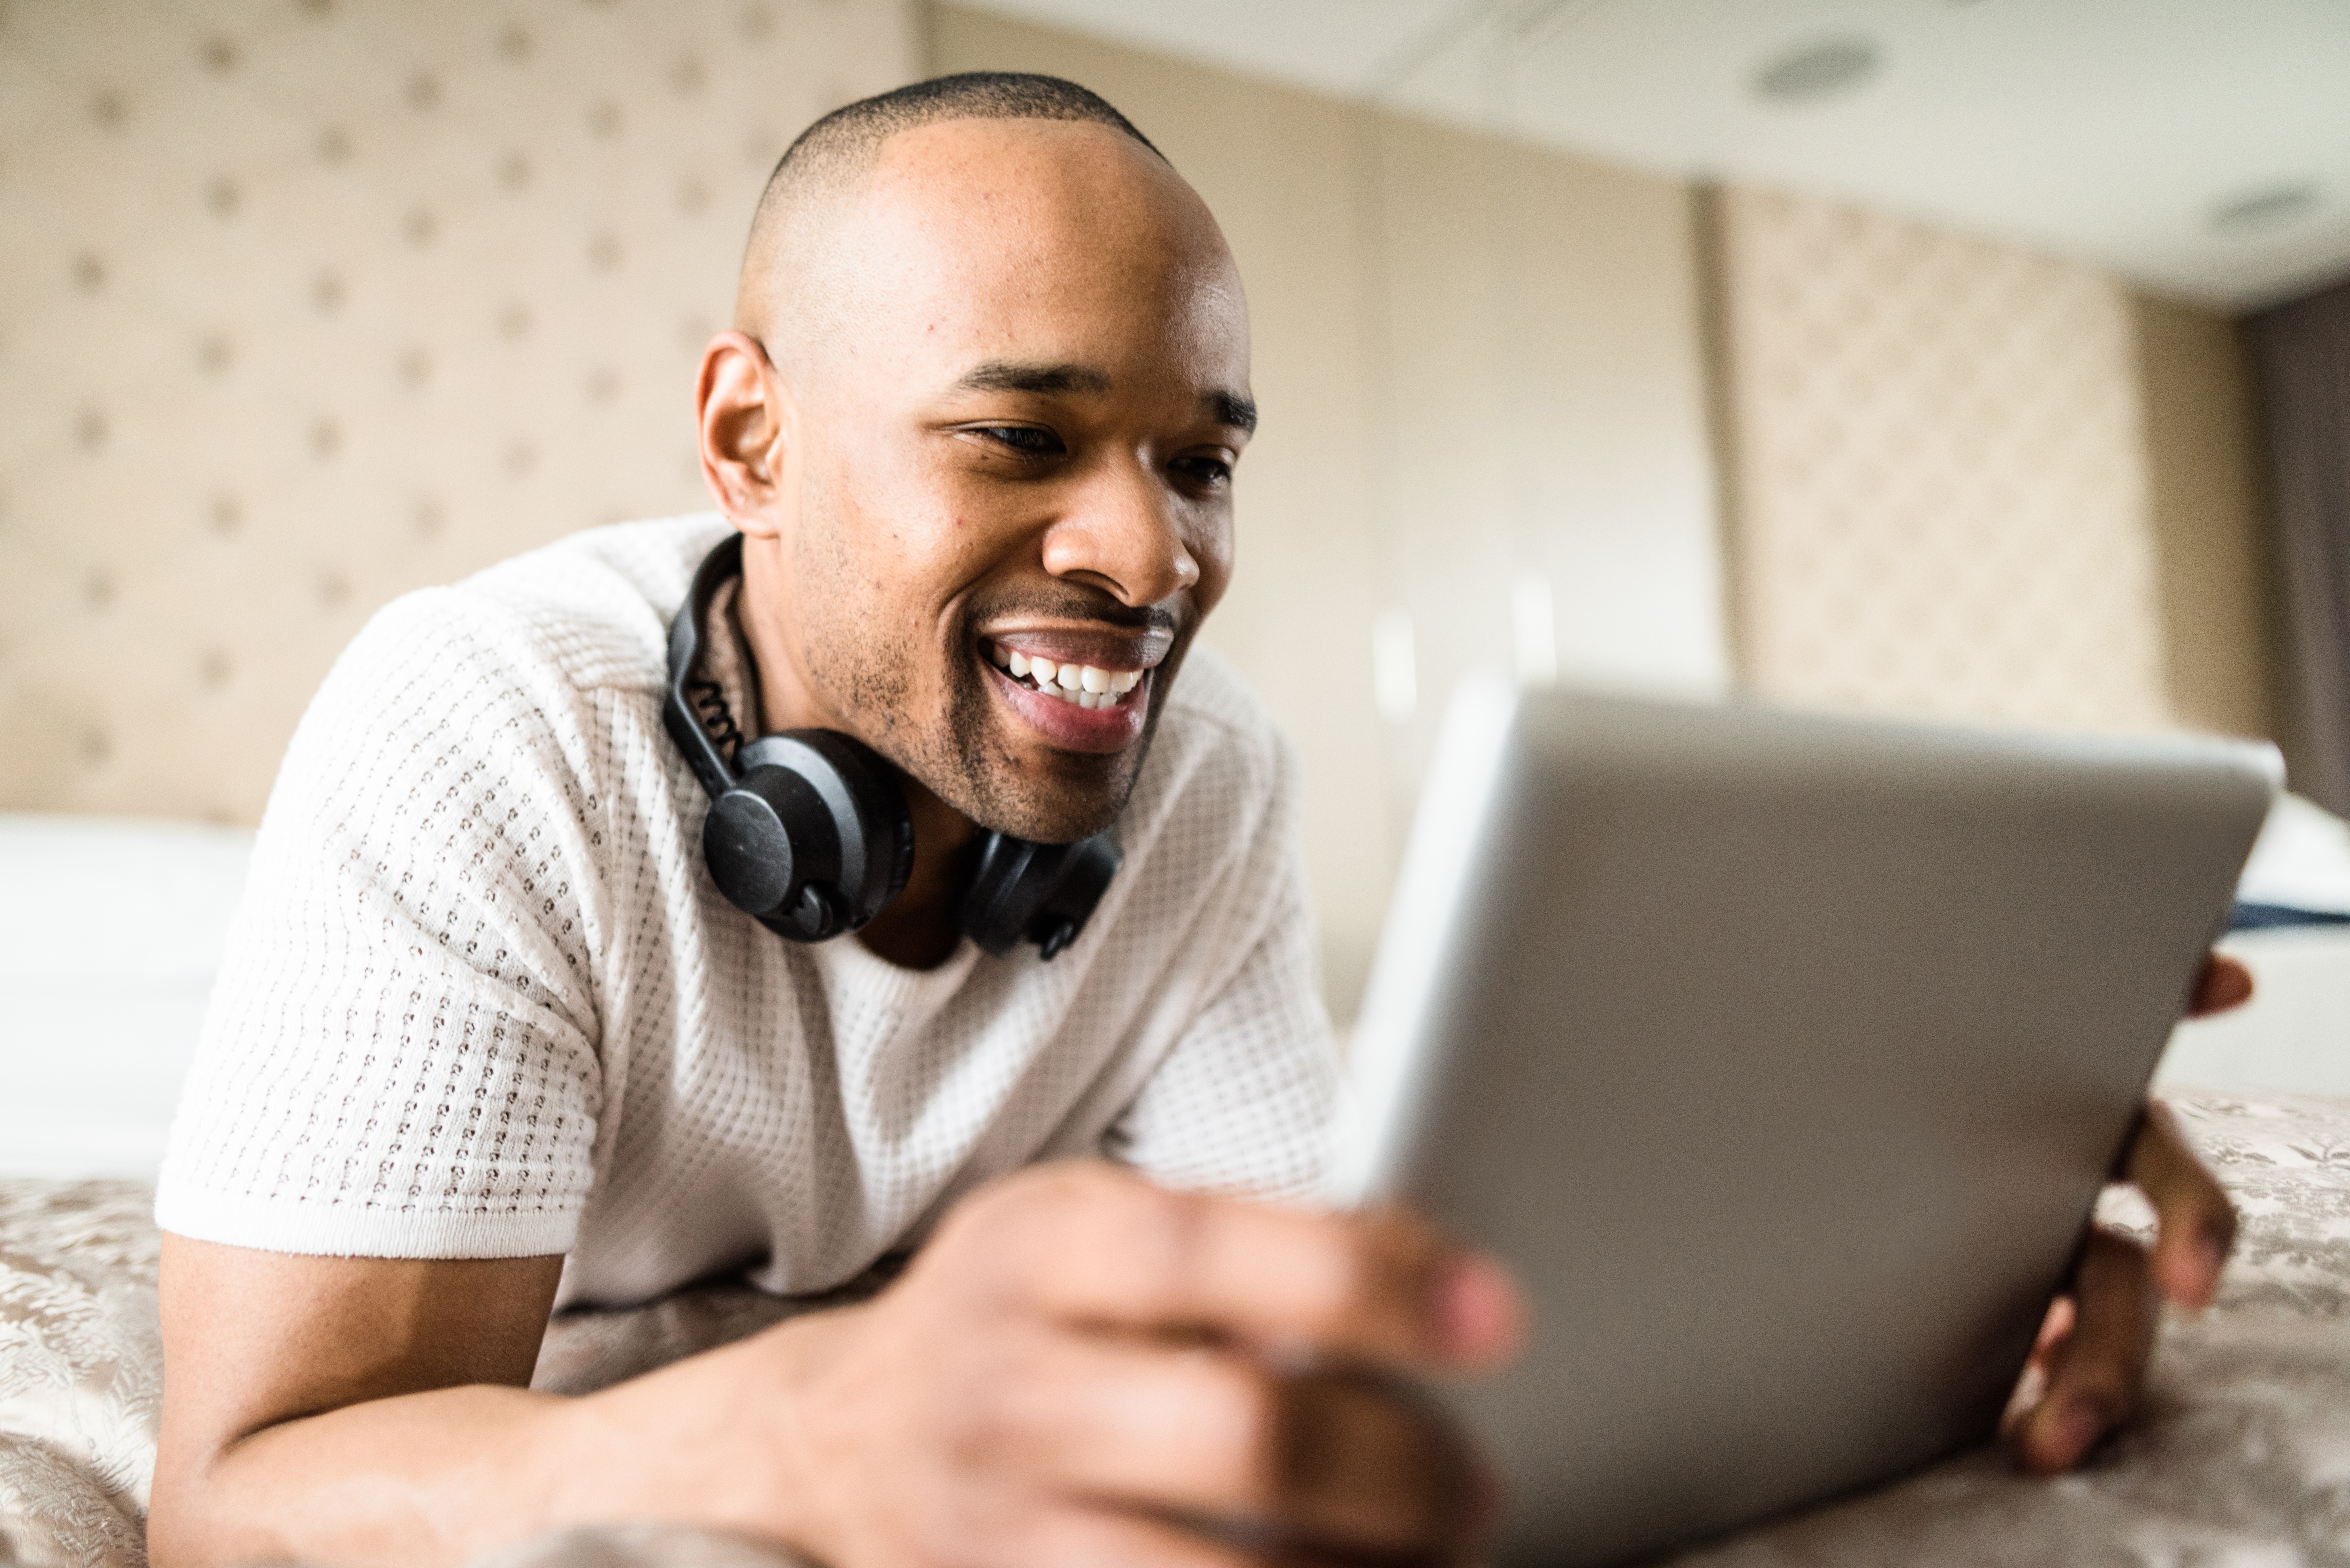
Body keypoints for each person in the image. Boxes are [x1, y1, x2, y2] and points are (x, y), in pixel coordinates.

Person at [145, 72, 2249, 1568]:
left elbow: (1338, 1285)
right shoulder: (478, 726)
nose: (1149, 560)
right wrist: (808, 1428)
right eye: (1022, 436)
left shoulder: (1211, 769)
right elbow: (244, 1502)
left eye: (1202, 461)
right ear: (751, 437)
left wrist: (1889, 1229)